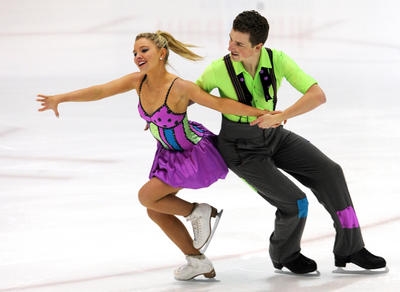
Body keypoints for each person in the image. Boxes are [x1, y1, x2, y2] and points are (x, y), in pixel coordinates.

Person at [36, 31, 267, 280]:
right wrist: (62, 98)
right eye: (135, 53)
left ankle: (197, 211)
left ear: (162, 53)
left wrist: (261, 113)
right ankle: (196, 260)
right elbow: (101, 91)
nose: (138, 56)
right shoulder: (138, 82)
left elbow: (220, 104)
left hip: (191, 155)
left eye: (144, 50)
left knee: (146, 196)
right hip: (168, 155)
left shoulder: (180, 87)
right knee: (155, 209)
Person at [196, 10, 387, 274]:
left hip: (275, 136)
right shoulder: (218, 69)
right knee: (296, 202)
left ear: (258, 46)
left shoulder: (278, 60)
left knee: (331, 173)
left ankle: (351, 247)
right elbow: (191, 96)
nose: (230, 47)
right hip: (240, 150)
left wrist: (283, 116)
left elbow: (317, 94)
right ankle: (284, 253)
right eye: (230, 39)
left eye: (239, 43)